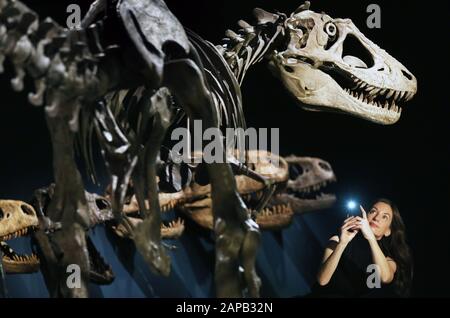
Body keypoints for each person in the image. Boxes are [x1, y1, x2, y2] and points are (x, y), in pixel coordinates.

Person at [314, 198, 413, 297]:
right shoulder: (338, 239)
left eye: (384, 217)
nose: (376, 218)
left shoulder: (388, 261)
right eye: (373, 211)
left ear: (388, 231)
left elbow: (385, 277)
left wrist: (371, 238)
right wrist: (342, 244)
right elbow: (322, 280)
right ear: (365, 215)